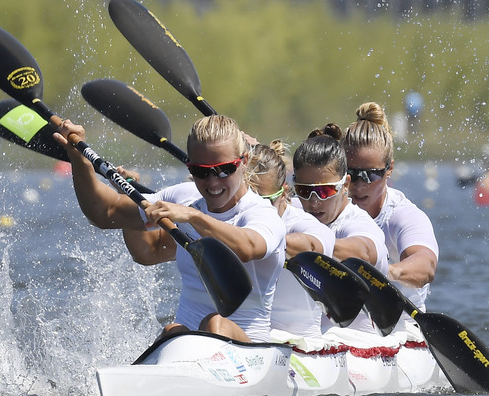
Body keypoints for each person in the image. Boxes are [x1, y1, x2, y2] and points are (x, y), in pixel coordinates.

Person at [53, 115, 286, 343]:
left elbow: (248, 247)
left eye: (224, 169)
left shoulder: (261, 213)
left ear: (243, 162)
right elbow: (106, 213)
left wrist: (193, 216)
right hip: (185, 343)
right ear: (189, 166)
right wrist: (77, 157)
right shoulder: (183, 197)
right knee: (172, 331)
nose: (213, 182)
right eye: (201, 171)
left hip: (249, 351)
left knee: (216, 323)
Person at [341, 102, 438, 314]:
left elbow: (426, 265)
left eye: (371, 174)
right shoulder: (326, 204)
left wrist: (385, 272)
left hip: (398, 327)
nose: (359, 184)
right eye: (351, 173)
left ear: (389, 169)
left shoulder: (403, 215)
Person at [291, 125, 389, 334]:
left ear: (345, 184)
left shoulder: (357, 223)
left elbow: (365, 250)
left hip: (359, 344)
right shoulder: (292, 211)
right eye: (303, 190)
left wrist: (288, 245)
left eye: (325, 190)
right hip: (308, 340)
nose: (314, 201)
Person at [245, 141, 336, 339]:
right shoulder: (233, 218)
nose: (254, 209)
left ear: (284, 193)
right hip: (246, 338)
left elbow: (315, 245)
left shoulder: (302, 223)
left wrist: (257, 244)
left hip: (300, 346)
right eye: (247, 200)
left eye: (264, 201)